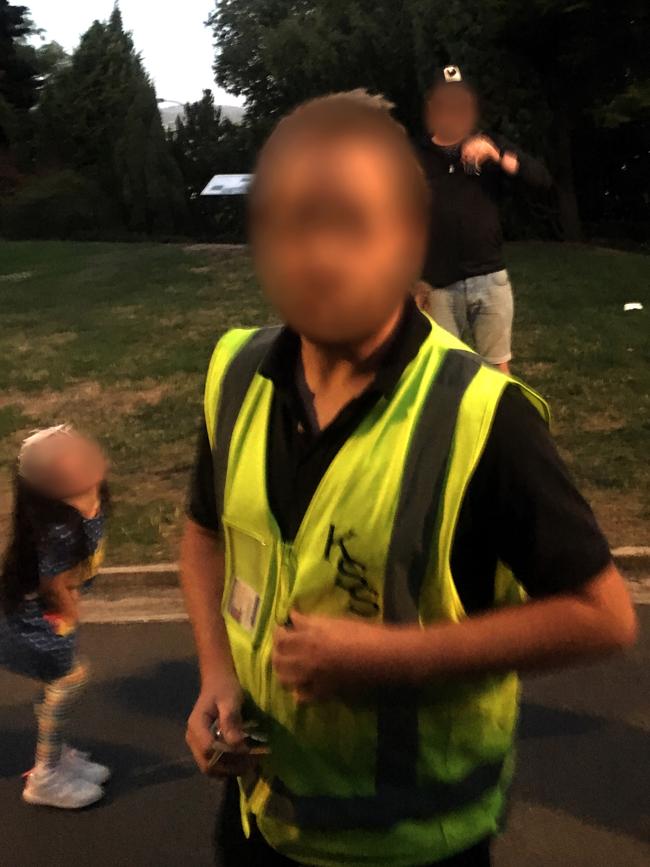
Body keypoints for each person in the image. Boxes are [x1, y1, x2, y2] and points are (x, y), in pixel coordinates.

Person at [181, 90, 636, 867]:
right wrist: (217, 674)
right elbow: (201, 533)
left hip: (415, 845)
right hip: (260, 820)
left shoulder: (481, 416)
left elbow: (603, 617)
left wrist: (390, 658)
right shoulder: (237, 373)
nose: (317, 254)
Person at [0, 425, 111, 809]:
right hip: (29, 620)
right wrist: (68, 615)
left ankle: (55, 754)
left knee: (57, 681)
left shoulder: (88, 507)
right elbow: (53, 585)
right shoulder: (60, 529)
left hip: (46, 617)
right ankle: (45, 775)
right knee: (68, 680)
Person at [417, 66, 553, 372]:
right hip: (437, 287)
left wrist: (496, 155)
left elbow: (541, 180)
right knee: (444, 373)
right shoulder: (415, 156)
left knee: (497, 372)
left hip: (489, 279)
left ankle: (496, 421)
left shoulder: (490, 143)